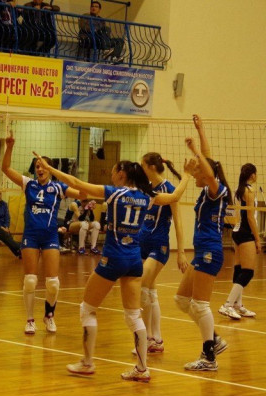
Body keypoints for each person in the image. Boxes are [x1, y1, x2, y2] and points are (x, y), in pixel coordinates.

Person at [33, 148, 191, 382]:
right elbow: (175, 196)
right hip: (134, 260)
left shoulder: (114, 193)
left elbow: (76, 183)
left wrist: (51, 169)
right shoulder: (147, 196)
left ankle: (87, 363)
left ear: (122, 174)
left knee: (87, 309)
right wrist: (186, 175)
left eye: (114, 170)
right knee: (133, 315)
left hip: (113, 258)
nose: (111, 173)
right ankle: (142, 369)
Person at [2, 130, 84, 335]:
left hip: (49, 236)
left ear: (49, 169)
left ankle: (49, 315)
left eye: (43, 166)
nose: (39, 169)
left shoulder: (58, 187)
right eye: (37, 166)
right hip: (30, 236)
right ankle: (30, 320)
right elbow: (6, 169)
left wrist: (56, 172)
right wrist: (9, 147)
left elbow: (82, 192)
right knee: (30, 280)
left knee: (53, 283)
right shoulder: (28, 184)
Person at [174, 114, 231, 372]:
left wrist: (195, 149)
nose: (194, 171)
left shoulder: (216, 190)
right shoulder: (208, 190)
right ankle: (214, 339)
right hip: (202, 252)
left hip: (211, 250)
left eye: (197, 169)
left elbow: (208, 170)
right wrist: (201, 130)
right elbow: (209, 162)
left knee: (200, 304)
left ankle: (209, 358)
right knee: (182, 300)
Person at [136, 152, 188, 353]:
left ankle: (146, 338)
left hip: (159, 245)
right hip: (142, 243)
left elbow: (179, 223)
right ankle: (155, 338)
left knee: (142, 286)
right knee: (150, 291)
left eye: (142, 165)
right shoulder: (146, 189)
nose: (141, 169)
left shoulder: (169, 189)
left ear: (151, 167)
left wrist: (181, 252)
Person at [219, 163, 260, 321]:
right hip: (246, 232)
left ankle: (238, 305)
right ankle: (228, 304)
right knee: (248, 272)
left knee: (239, 269)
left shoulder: (238, 190)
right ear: (252, 175)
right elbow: (250, 217)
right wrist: (257, 239)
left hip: (237, 231)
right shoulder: (249, 191)